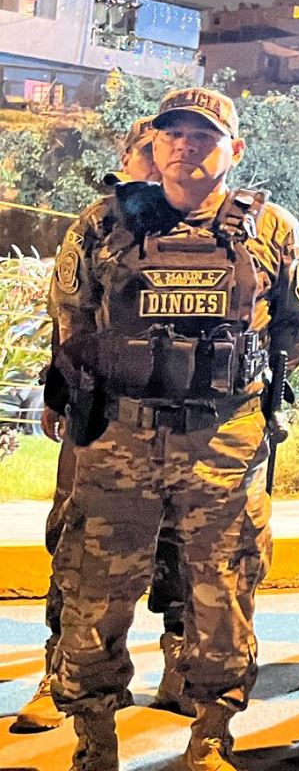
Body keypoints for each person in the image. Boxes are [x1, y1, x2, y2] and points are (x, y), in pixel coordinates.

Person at [48, 87, 299, 771]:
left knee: (223, 593)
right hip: (119, 439)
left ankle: (210, 737)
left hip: (222, 442)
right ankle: (94, 741)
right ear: (156, 142)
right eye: (173, 133)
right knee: (94, 595)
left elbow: (291, 329)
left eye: (203, 135)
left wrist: (248, 393)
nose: (185, 145)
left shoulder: (272, 231)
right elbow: (71, 319)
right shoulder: (104, 223)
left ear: (235, 149)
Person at [14, 119, 195, 736]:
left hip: (190, 422)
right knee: (79, 547)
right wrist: (63, 394)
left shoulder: (214, 226)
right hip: (104, 416)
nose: (154, 168)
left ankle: (182, 667)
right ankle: (63, 670)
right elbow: (69, 317)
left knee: (186, 548)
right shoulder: (99, 225)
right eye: (145, 156)